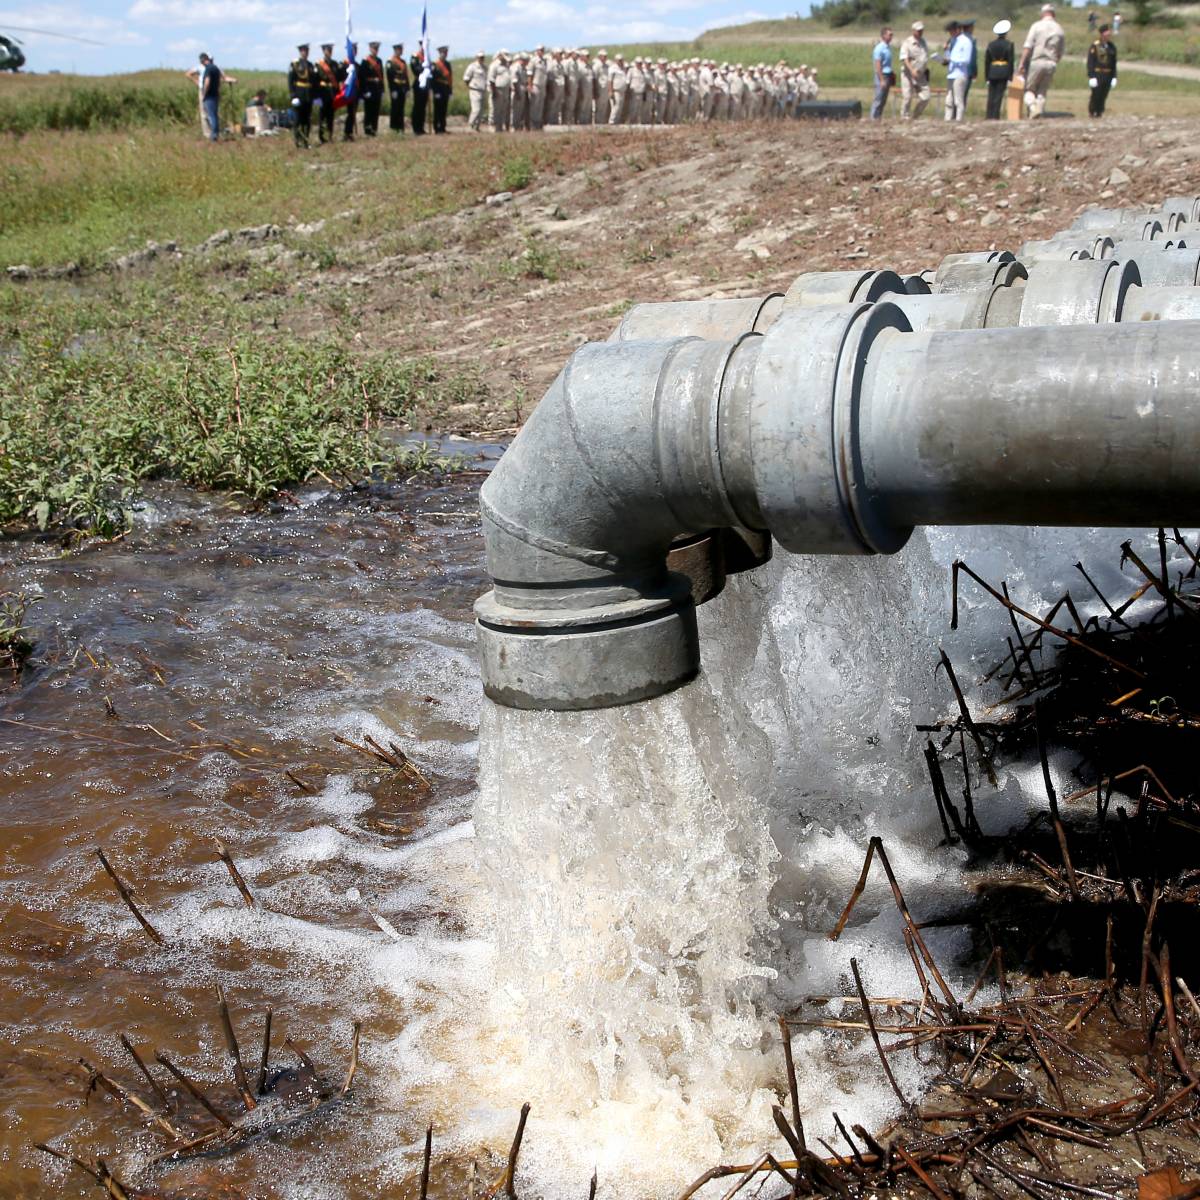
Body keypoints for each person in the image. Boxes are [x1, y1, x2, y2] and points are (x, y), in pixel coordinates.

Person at [1019, 3, 1065, 118]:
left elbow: (1028, 46)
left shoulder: (1036, 26)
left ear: (1043, 13)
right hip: (1051, 63)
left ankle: (1033, 107)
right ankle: (1040, 113)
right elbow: (1060, 52)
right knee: (1042, 91)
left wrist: (1021, 63)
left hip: (1037, 61)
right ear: (1053, 14)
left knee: (1029, 89)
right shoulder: (1059, 29)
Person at [287, 43, 318, 148]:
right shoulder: (295, 64)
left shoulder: (310, 65)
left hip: (308, 96)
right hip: (299, 95)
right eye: (303, 51)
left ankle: (306, 140)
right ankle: (298, 141)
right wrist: (293, 96)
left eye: (307, 51)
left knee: (307, 120)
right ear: (300, 52)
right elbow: (291, 81)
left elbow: (314, 82)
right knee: (298, 120)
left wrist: (315, 96)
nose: (305, 53)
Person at [899, 21, 930, 119]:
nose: (921, 32)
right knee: (907, 97)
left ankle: (915, 116)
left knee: (926, 96)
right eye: (918, 30)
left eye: (922, 30)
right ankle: (904, 117)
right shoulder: (907, 42)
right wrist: (912, 70)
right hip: (908, 73)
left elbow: (924, 57)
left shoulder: (923, 42)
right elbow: (904, 59)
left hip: (920, 74)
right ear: (913, 31)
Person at [985, 20, 1014, 119]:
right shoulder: (1009, 44)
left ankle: (989, 115)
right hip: (1003, 71)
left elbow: (987, 61)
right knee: (999, 95)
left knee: (991, 95)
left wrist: (986, 77)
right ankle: (995, 116)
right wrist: (1010, 77)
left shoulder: (990, 44)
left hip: (992, 71)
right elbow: (1010, 61)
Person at [1087, 23, 1118, 117]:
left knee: (1104, 94)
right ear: (1102, 34)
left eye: (1109, 32)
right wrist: (1091, 76)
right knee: (1096, 94)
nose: (1109, 34)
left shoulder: (1112, 46)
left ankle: (1100, 111)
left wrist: (1114, 76)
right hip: (1098, 73)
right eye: (1107, 32)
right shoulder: (1095, 46)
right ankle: (1092, 111)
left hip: (1108, 74)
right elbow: (1091, 62)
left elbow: (1114, 63)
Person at [944, 20, 972, 120]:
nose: (950, 34)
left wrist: (952, 60)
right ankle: (947, 119)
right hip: (951, 74)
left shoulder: (966, 41)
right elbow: (949, 55)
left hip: (960, 74)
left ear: (957, 30)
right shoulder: (952, 41)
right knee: (948, 100)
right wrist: (946, 53)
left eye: (951, 31)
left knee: (958, 100)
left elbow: (966, 60)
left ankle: (959, 119)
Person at [315, 43, 341, 143]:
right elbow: (316, 80)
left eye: (330, 50)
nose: (329, 52)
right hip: (323, 92)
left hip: (332, 93)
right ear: (323, 51)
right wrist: (317, 96)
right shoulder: (319, 64)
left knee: (331, 116)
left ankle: (330, 136)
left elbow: (339, 78)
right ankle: (322, 137)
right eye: (327, 50)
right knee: (322, 116)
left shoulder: (335, 64)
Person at [359, 41, 385, 136]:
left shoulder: (379, 61)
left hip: (377, 89)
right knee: (368, 111)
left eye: (377, 49)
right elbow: (362, 78)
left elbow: (381, 76)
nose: (375, 50)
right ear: (370, 49)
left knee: (375, 111)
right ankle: (367, 130)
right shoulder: (365, 61)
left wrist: (382, 90)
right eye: (374, 49)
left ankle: (374, 130)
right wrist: (364, 91)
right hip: (369, 89)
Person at [871, 27, 895, 119]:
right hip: (882, 76)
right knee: (878, 99)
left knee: (883, 100)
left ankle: (878, 118)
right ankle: (873, 119)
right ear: (884, 35)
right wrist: (881, 79)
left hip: (888, 75)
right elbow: (878, 65)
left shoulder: (888, 48)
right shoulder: (879, 48)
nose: (891, 37)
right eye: (890, 35)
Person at [386, 43, 409, 133]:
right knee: (395, 108)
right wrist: (392, 90)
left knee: (401, 108)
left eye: (401, 49)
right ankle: (394, 128)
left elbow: (405, 76)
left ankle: (401, 128)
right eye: (399, 49)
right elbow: (390, 77)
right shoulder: (390, 62)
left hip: (402, 88)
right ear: (395, 50)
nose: (401, 51)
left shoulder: (403, 62)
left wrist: (407, 89)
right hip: (395, 88)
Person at [431, 45, 453, 134]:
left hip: (445, 89)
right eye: (443, 53)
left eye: (446, 53)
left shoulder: (448, 64)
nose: (444, 54)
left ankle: (443, 127)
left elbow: (450, 78)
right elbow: (432, 79)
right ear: (439, 53)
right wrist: (435, 91)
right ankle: (437, 128)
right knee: (437, 110)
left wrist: (450, 91)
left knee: (444, 109)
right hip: (438, 90)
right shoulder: (435, 64)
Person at [464, 50, 488, 131]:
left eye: (483, 57)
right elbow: (466, 78)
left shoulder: (485, 67)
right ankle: (470, 125)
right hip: (475, 90)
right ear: (476, 57)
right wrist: (470, 86)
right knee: (476, 109)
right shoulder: (472, 66)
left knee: (481, 110)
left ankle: (477, 126)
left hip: (483, 90)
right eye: (480, 57)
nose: (481, 58)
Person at [489, 49, 512, 132]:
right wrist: (494, 91)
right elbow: (491, 80)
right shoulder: (494, 65)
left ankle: (500, 127)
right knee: (495, 109)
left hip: (505, 90)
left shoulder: (506, 65)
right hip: (497, 89)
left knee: (503, 109)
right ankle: (492, 125)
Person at [341, 42, 359, 140]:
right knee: (350, 113)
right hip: (348, 92)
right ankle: (347, 133)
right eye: (352, 51)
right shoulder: (344, 64)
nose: (354, 52)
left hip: (355, 92)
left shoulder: (357, 65)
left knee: (353, 113)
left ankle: (350, 132)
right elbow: (342, 79)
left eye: (355, 50)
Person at [409, 45, 429, 134]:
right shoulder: (415, 56)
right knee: (417, 106)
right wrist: (424, 68)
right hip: (418, 83)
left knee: (423, 107)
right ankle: (416, 128)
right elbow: (415, 69)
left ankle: (421, 127)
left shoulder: (427, 57)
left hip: (426, 85)